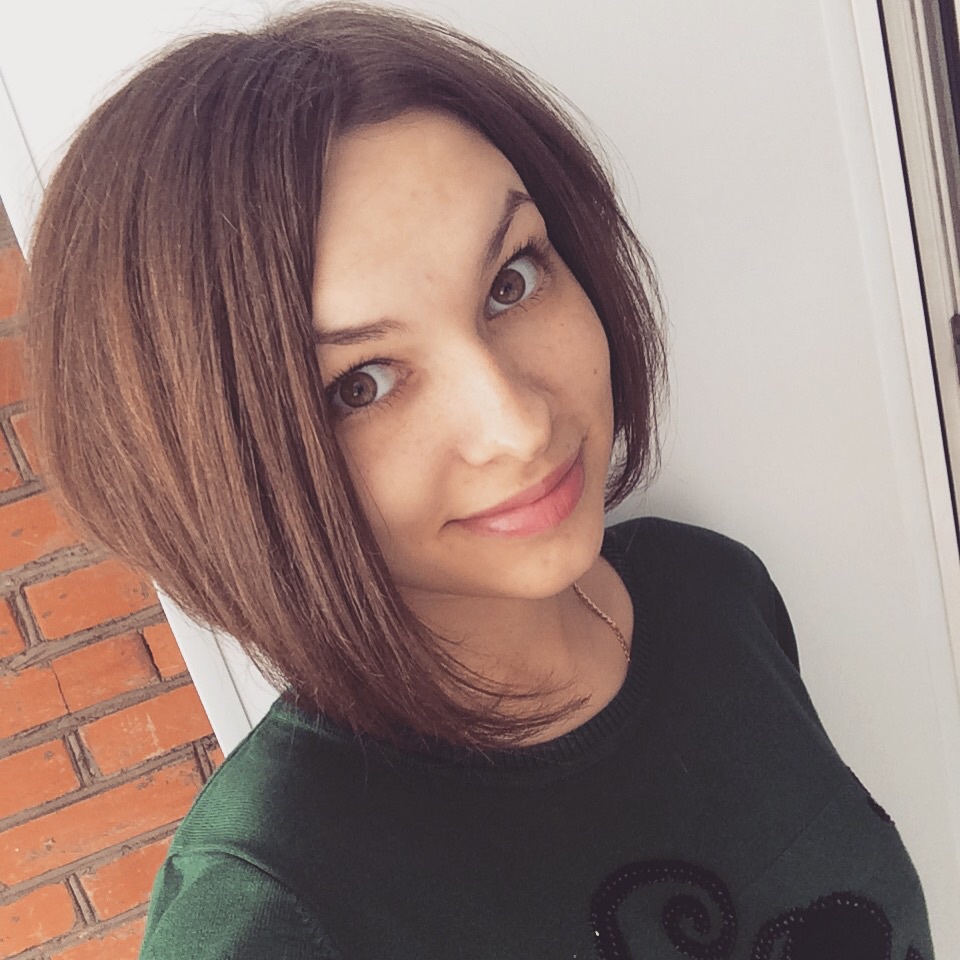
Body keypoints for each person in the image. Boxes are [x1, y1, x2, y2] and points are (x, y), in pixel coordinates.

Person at [24, 3, 934, 958]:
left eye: (511, 282)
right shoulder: (274, 914)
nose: (519, 425)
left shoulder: (714, 592)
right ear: (220, 469)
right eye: (360, 385)